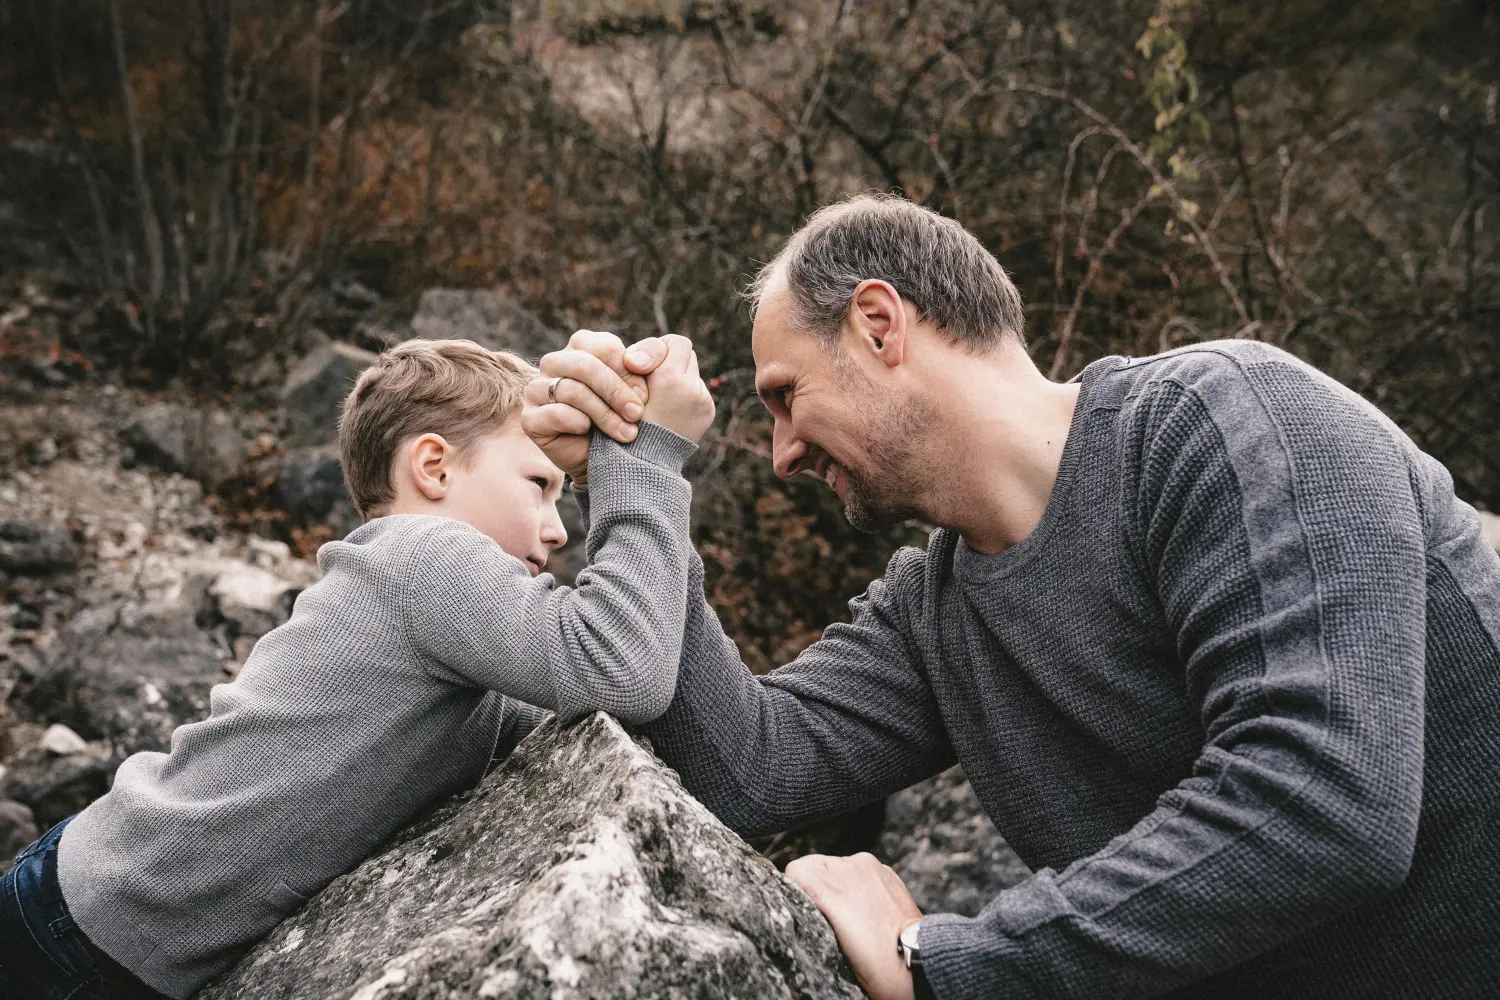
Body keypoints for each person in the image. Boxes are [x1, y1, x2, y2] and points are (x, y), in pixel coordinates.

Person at [522, 194, 1500, 1000]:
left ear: (877, 323)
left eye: (785, 395)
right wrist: (638, 470)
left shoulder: (1230, 422)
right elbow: (747, 766)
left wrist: (946, 964)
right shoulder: (938, 610)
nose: (781, 454)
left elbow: (1326, 806)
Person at [0, 336, 715, 1000]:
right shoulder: (423, 560)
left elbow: (626, 704)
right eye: (539, 484)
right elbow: (623, 668)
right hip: (85, 929)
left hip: (105, 916)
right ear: (433, 467)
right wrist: (645, 462)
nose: (561, 530)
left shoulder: (449, 625)